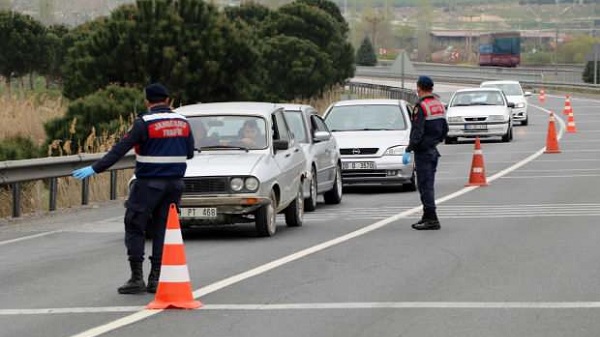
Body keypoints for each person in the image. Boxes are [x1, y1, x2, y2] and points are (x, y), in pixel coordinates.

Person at [72, 83, 195, 294]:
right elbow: (190, 153)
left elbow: (119, 150)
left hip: (148, 184)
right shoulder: (183, 122)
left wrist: (95, 168)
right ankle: (156, 277)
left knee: (135, 225)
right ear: (167, 101)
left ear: (148, 102)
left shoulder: (144, 123)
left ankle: (136, 277)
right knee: (162, 229)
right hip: (175, 185)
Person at [404, 76, 448, 230]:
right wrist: (434, 141)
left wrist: (409, 148)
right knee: (427, 184)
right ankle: (426, 216)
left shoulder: (421, 106)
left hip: (423, 152)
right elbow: (445, 130)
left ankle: (432, 219)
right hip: (433, 150)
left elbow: (418, 130)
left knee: (425, 186)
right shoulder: (438, 105)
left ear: (419, 88)